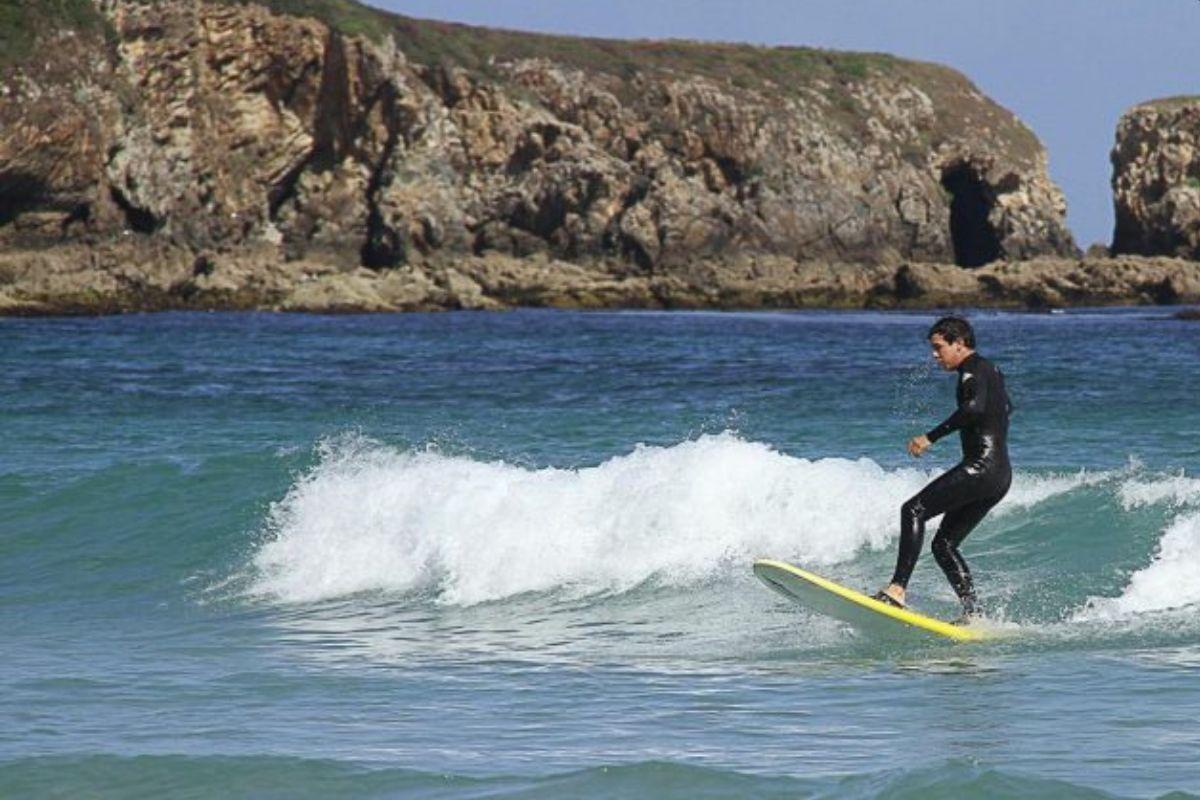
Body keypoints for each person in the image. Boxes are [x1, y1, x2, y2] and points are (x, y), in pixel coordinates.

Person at [874, 316, 1012, 623]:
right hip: (1000, 474)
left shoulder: (971, 370)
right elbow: (1006, 408)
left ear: (959, 344)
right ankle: (973, 613)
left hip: (981, 467)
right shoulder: (991, 370)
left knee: (913, 510)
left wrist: (929, 437)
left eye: (939, 348)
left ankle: (897, 590)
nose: (935, 355)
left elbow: (973, 409)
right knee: (944, 545)